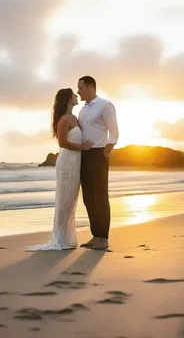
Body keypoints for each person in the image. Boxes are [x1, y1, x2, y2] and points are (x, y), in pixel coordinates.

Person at [27, 88, 93, 251]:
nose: (76, 96)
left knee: (70, 200)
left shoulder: (74, 118)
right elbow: (62, 144)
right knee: (64, 199)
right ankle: (59, 238)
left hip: (75, 163)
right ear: (68, 99)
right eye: (74, 94)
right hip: (66, 164)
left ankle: (66, 237)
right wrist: (83, 147)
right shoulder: (64, 120)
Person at [77, 76, 119, 250]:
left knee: (100, 196)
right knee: (88, 197)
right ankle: (96, 236)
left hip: (99, 153)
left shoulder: (105, 105)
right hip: (83, 154)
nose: (78, 91)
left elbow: (114, 132)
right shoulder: (82, 110)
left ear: (90, 87)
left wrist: (106, 151)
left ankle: (104, 238)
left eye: (81, 88)